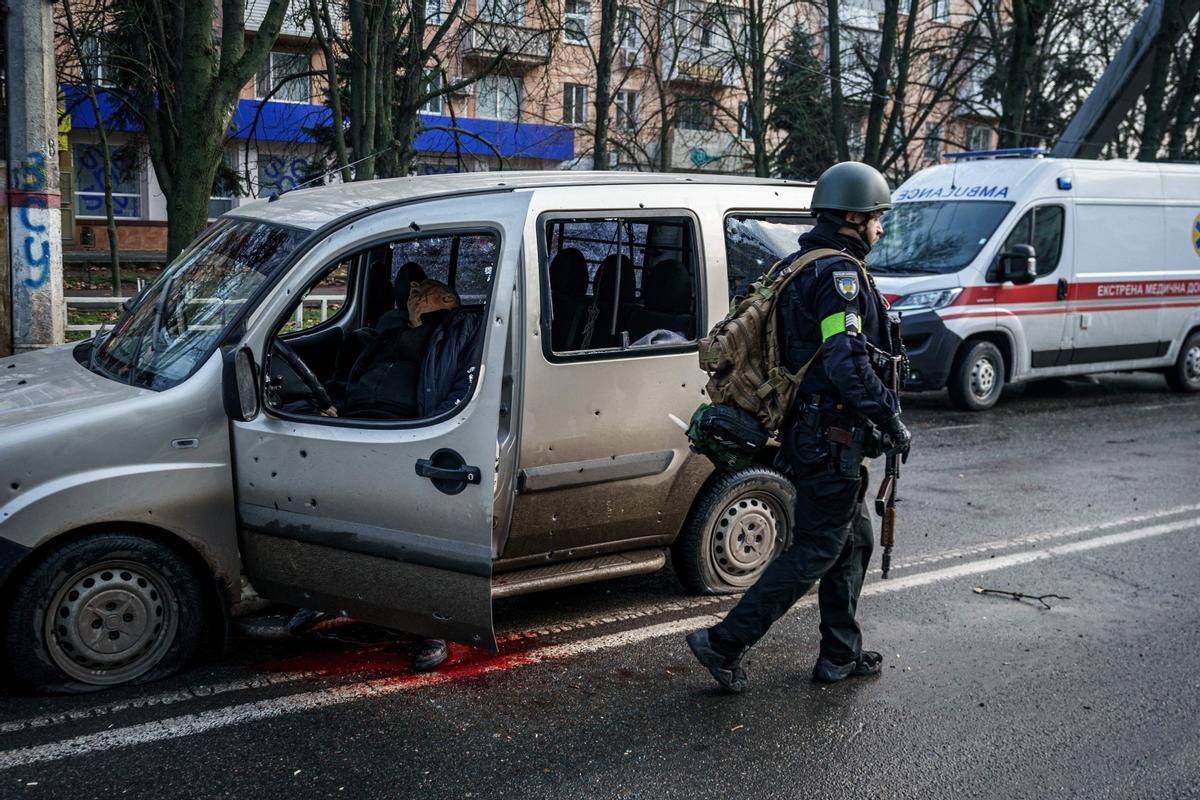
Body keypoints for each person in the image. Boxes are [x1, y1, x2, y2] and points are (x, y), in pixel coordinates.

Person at [685, 161, 912, 692]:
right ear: (854, 217)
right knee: (815, 547)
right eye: (877, 218)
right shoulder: (838, 277)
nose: (880, 229)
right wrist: (891, 417)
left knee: (852, 540)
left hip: (814, 433)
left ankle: (840, 652)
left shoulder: (798, 264)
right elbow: (845, 361)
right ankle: (723, 643)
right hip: (829, 435)